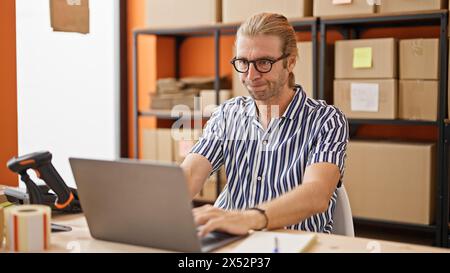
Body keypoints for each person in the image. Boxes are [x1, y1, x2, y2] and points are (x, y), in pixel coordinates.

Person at [180, 13, 349, 237]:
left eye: (263, 63)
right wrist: (156, 209)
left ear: (290, 62)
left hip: (294, 243)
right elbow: (191, 173)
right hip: (231, 240)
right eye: (243, 62)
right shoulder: (227, 114)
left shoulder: (326, 120)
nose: (251, 75)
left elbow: (317, 194)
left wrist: (249, 219)